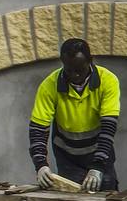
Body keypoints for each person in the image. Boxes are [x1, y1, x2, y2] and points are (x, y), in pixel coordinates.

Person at [28, 38, 121, 192]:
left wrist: (97, 167)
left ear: (90, 61)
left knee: (107, 200)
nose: (75, 75)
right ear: (63, 63)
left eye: (80, 69)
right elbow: (38, 129)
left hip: (99, 153)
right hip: (68, 157)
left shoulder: (108, 81)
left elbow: (108, 127)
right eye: (69, 69)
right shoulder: (49, 86)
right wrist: (41, 165)